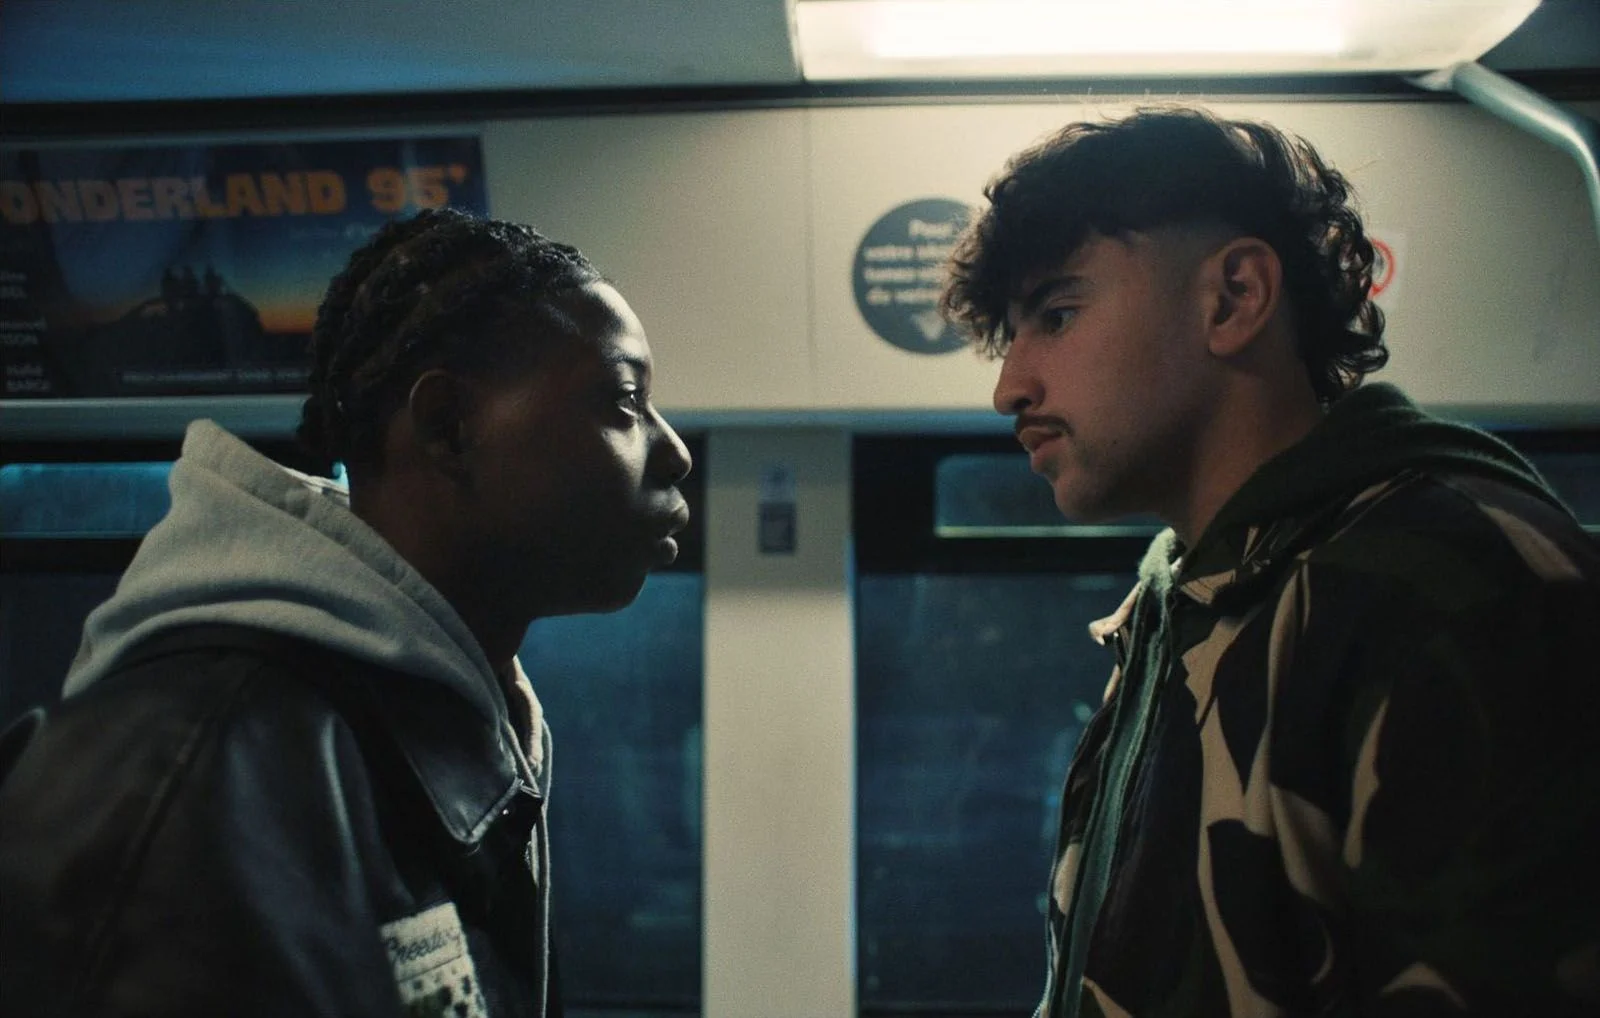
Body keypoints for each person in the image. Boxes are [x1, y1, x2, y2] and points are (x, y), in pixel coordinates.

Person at [940, 107, 1600, 1017]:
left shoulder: (1460, 590)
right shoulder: (1185, 606)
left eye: (1057, 314)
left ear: (1234, 297)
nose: (1009, 387)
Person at [0, 208, 693, 1016]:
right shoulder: (200, 775)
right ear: (447, 429)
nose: (675, 451)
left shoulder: (434, 723)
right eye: (624, 401)